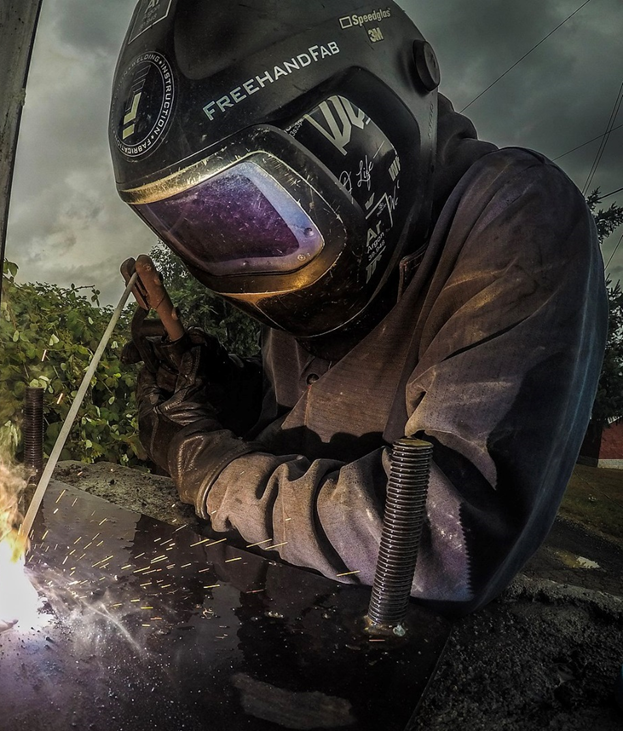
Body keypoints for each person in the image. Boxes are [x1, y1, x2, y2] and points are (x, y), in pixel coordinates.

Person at [108, 0, 607, 614]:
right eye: (208, 231)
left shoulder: (517, 218)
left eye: (252, 211)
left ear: (360, 132)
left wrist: (212, 474)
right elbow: (302, 423)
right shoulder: (314, 258)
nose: (251, 255)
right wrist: (207, 382)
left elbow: (440, 536)